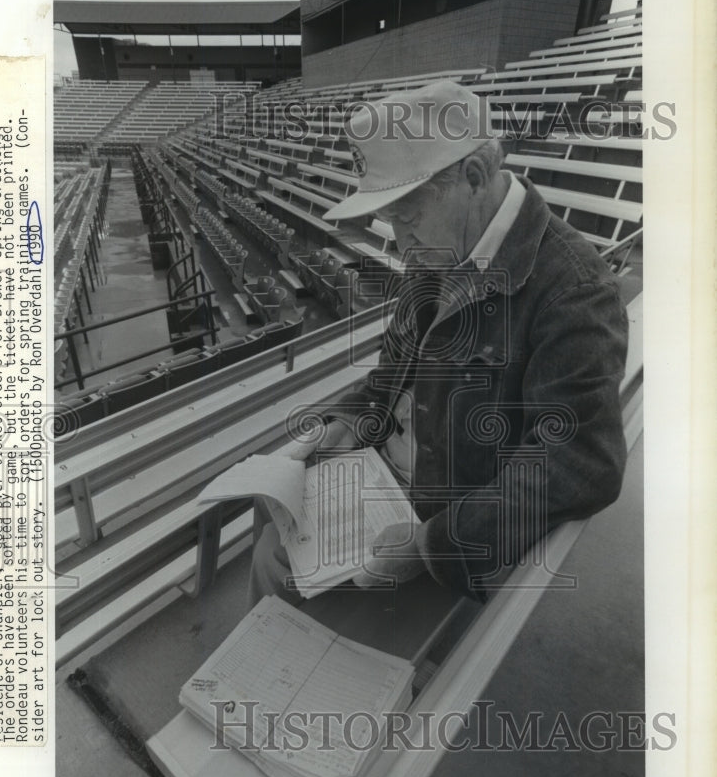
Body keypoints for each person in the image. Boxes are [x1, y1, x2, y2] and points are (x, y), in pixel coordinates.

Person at [248, 80, 629, 609]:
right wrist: (347, 421)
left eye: (407, 216)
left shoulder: (572, 288)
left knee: (276, 563)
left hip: (445, 519)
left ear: (474, 177)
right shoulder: (442, 247)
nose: (399, 243)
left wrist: (433, 544)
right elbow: (390, 380)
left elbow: (580, 462)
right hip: (382, 487)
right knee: (269, 521)